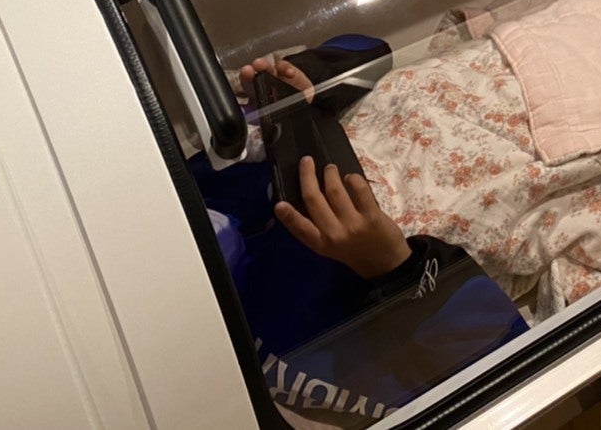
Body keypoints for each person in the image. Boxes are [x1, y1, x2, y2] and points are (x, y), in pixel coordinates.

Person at [191, 56, 528, 427]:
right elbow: (516, 383)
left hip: (329, 212)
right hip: (394, 276)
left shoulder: (215, 222)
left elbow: (369, 50)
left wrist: (305, 100)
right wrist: (395, 267)